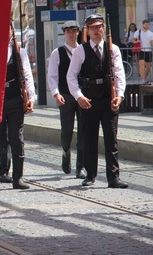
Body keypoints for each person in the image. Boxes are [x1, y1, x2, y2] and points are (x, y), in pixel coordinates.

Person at [67, 13, 127, 188]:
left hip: (109, 99)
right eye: (92, 27)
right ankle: (90, 174)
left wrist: (120, 96)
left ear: (103, 28)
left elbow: (119, 74)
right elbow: (71, 76)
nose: (96, 30)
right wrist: (79, 96)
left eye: (99, 26)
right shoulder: (80, 50)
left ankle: (113, 177)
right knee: (89, 138)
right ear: (87, 30)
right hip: (89, 99)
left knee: (111, 139)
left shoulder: (112, 49)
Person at [0, 24, 36, 190]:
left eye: (7, 29)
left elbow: (26, 76)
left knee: (16, 139)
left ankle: (18, 177)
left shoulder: (19, 52)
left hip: (15, 98)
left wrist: (31, 97)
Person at [47, 20, 86, 179]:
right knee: (67, 130)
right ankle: (65, 152)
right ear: (64, 33)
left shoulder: (83, 50)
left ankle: (80, 167)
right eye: (68, 31)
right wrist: (56, 93)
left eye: (74, 30)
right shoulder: (58, 52)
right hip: (66, 96)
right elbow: (52, 76)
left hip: (82, 96)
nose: (71, 33)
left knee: (83, 131)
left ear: (78, 32)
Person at [132, 19, 153, 84]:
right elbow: (133, 41)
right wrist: (136, 41)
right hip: (141, 50)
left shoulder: (151, 33)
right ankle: (143, 79)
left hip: (148, 50)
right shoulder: (138, 32)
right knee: (141, 64)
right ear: (143, 24)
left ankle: (145, 77)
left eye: (148, 24)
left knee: (148, 66)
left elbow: (152, 42)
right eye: (145, 24)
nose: (146, 25)